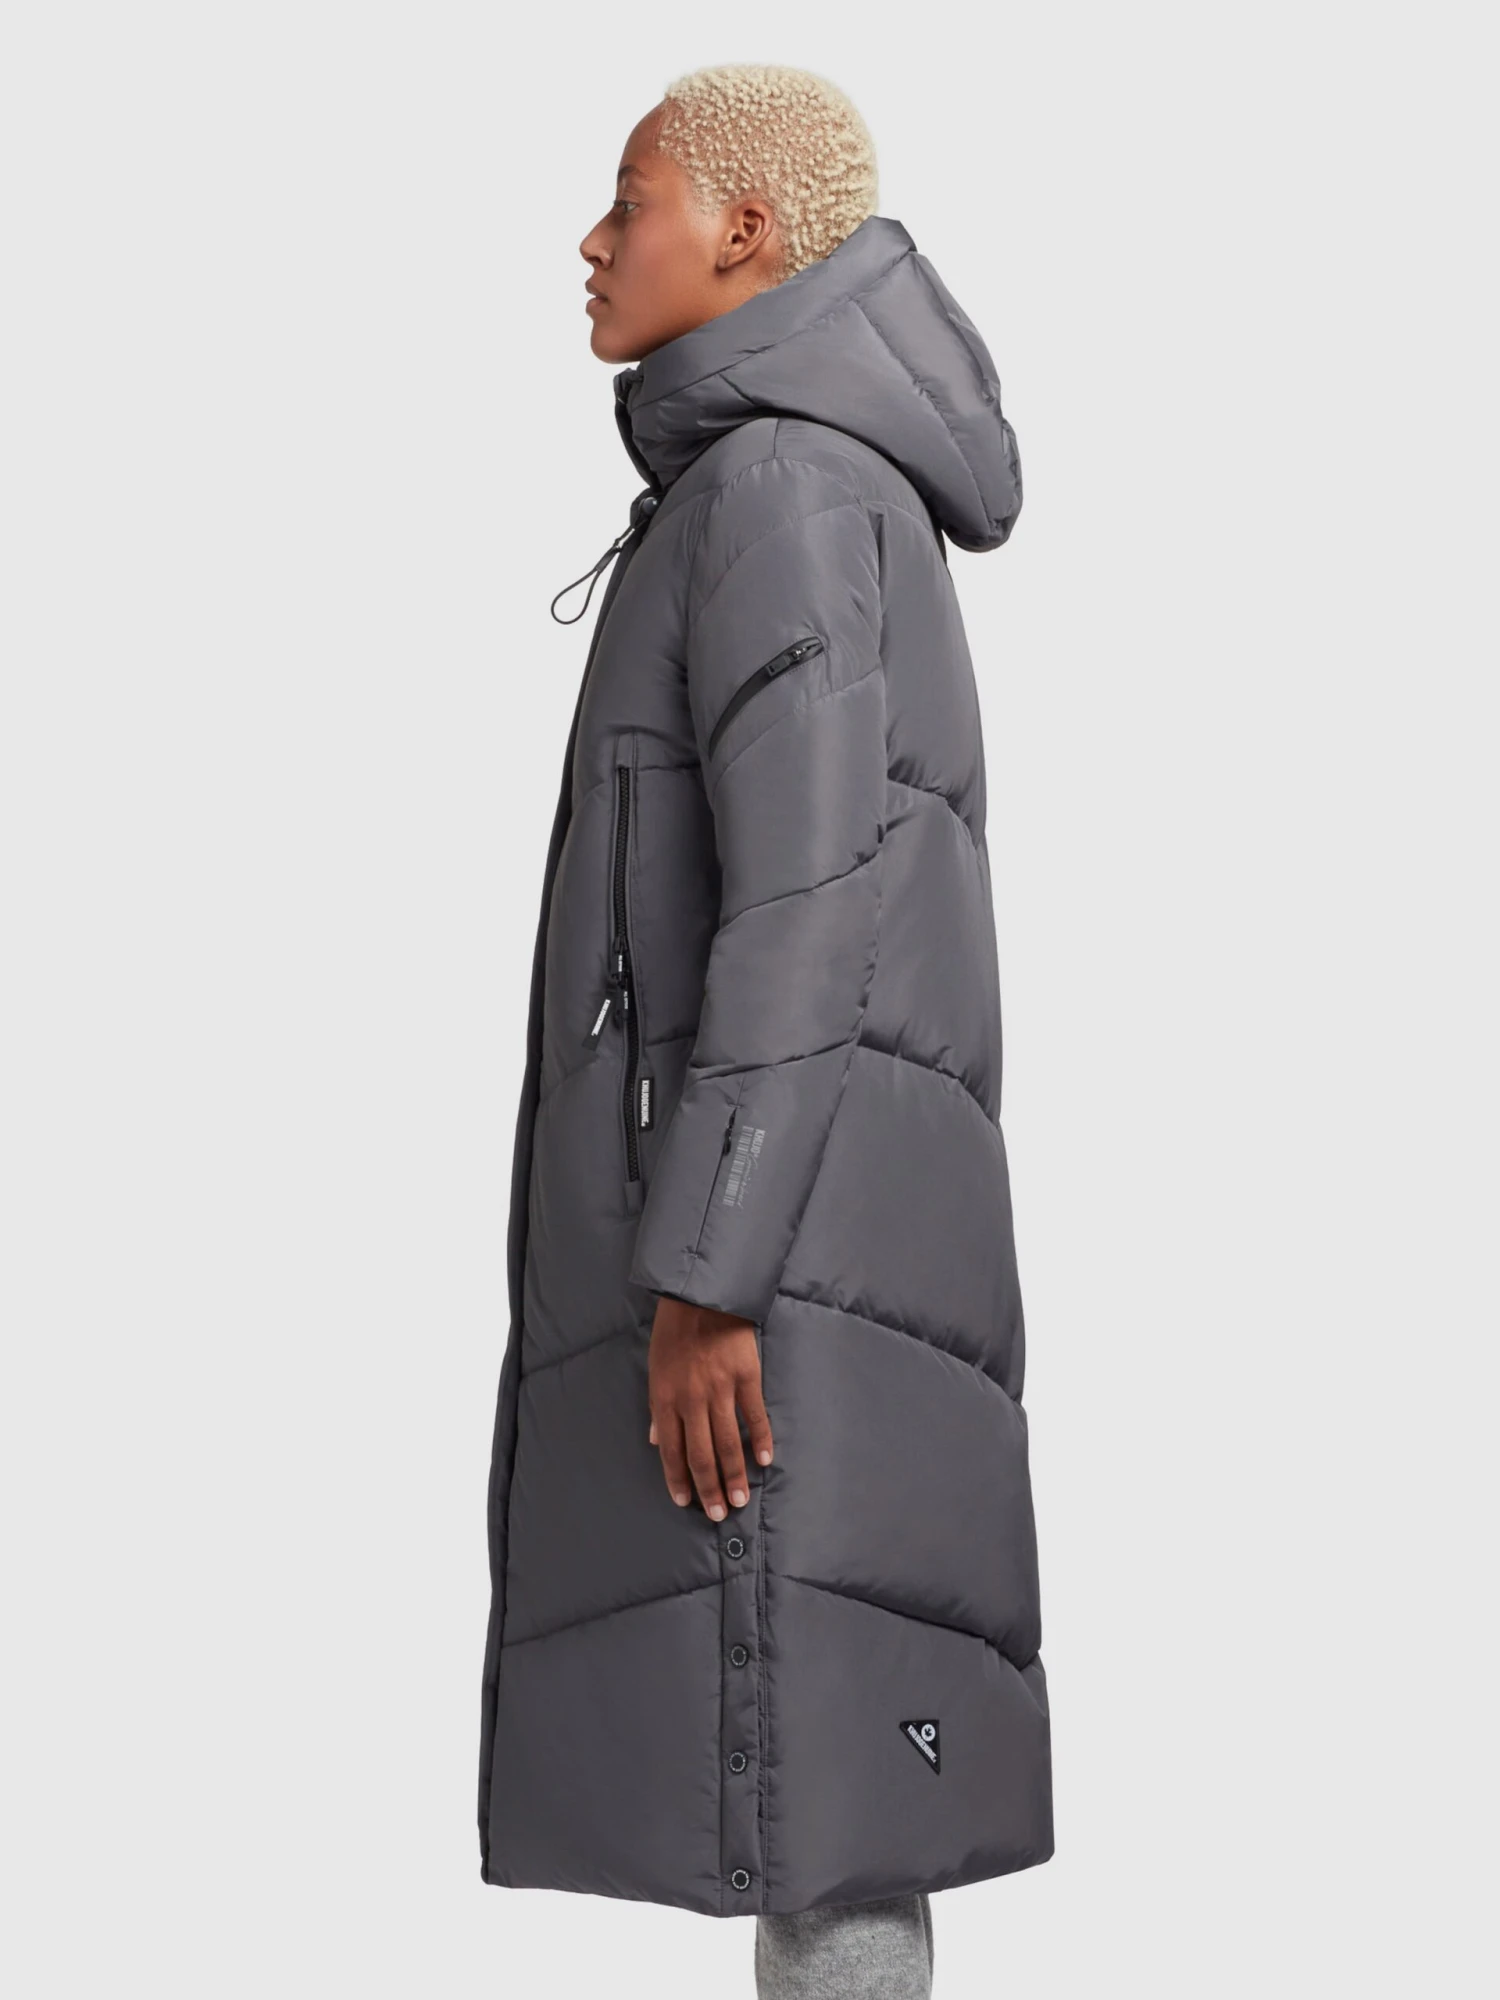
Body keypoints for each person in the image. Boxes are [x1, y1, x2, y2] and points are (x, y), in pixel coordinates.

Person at [479, 63, 1052, 1998]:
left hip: (780, 1260)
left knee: (816, 1790)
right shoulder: (779, 483)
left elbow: (812, 901)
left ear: (742, 231)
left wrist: (707, 1273)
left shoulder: (782, 491)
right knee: (819, 1777)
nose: (592, 241)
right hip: (823, 1230)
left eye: (629, 200)